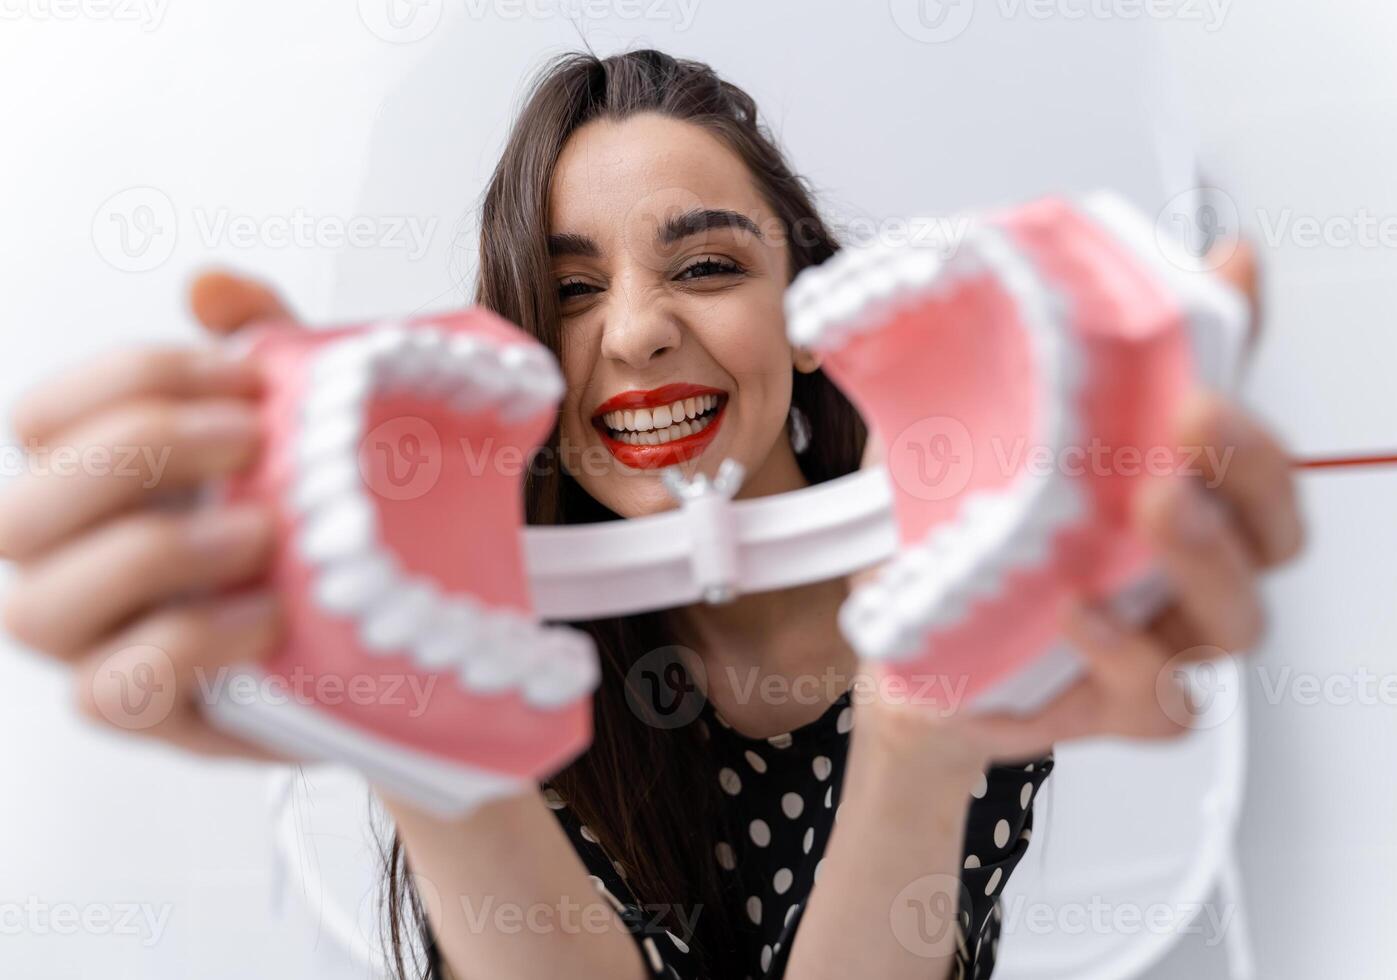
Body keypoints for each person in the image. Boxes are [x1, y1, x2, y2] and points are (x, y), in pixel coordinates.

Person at [0, 49, 1303, 980]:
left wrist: (927, 736)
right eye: (568, 292)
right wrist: (426, 753)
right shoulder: (493, 664)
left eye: (706, 266)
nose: (633, 333)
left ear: (805, 320)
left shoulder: (984, 608)